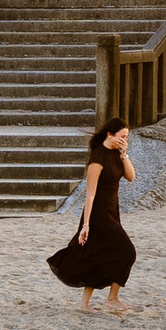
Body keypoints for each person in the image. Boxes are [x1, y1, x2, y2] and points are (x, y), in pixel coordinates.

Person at [47, 118, 137, 314]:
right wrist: (85, 224)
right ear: (109, 135)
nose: (124, 139)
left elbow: (131, 177)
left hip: (112, 211)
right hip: (98, 214)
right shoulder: (98, 158)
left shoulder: (116, 154)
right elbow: (90, 193)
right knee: (128, 251)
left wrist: (124, 153)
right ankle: (112, 298)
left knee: (98, 254)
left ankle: (84, 305)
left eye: (126, 137)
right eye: (121, 136)